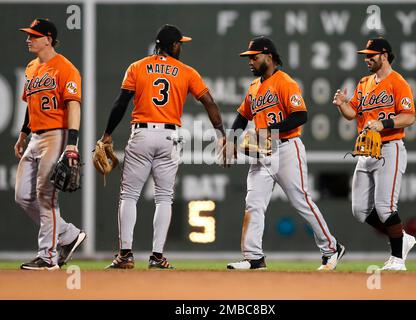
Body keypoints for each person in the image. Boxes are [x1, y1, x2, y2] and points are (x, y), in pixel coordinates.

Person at [101, 24, 226, 269]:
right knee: (164, 198)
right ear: (173, 45)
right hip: (170, 137)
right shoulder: (187, 71)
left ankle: (125, 255)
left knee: (129, 195)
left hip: (142, 135)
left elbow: (121, 103)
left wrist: (107, 134)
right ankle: (157, 257)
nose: (182, 47)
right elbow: (209, 102)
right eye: (180, 43)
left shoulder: (137, 67)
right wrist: (221, 133)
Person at [226, 36, 345, 271]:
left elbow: (300, 115)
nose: (250, 62)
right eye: (249, 58)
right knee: (253, 203)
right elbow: (242, 115)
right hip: (263, 151)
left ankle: (331, 248)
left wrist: (270, 130)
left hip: (287, 148)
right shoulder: (254, 87)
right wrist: (230, 139)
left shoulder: (285, 82)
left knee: (301, 200)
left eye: (254, 57)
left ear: (268, 56)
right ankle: (254, 258)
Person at [332, 38, 416, 271]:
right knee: (360, 210)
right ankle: (403, 237)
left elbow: (409, 116)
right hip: (366, 151)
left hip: (390, 147)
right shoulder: (364, 82)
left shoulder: (398, 82)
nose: (367, 58)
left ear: (385, 55)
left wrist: (385, 123)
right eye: (366, 55)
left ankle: (398, 259)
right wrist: (341, 104)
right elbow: (352, 114)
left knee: (385, 207)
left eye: (371, 54)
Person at [15, 18, 86, 270]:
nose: (28, 39)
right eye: (28, 35)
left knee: (46, 196)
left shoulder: (66, 68)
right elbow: (30, 103)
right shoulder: (31, 67)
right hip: (34, 136)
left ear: (48, 38)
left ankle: (47, 256)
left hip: (56, 135)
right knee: (23, 196)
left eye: (33, 35)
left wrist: (72, 144)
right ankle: (68, 234)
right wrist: (23, 134)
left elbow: (74, 105)